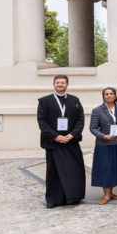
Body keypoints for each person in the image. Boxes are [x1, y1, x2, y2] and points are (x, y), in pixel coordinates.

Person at [37, 75, 85, 208]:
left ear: (67, 85)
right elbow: (42, 122)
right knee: (54, 172)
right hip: (53, 142)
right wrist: (55, 136)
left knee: (74, 170)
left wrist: (72, 135)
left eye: (62, 83)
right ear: (53, 84)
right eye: (57, 82)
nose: (60, 85)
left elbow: (81, 119)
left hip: (71, 141)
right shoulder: (44, 101)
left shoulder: (74, 100)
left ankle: (73, 196)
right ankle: (53, 199)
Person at [89, 86, 117, 204]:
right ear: (103, 96)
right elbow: (93, 128)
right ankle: (106, 195)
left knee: (115, 168)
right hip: (104, 145)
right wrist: (103, 136)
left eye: (111, 94)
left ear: (115, 95)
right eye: (106, 94)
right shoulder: (97, 110)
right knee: (106, 169)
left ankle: (111, 193)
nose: (109, 96)